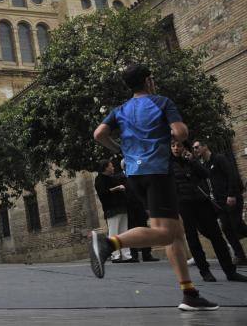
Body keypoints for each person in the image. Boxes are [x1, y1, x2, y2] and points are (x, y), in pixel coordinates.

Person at [90, 63, 218, 311]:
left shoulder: (120, 109)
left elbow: (99, 134)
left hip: (135, 175)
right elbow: (181, 132)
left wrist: (120, 150)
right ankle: (108, 244)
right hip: (157, 172)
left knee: (176, 230)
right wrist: (173, 135)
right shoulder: (161, 102)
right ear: (148, 81)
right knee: (165, 233)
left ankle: (189, 293)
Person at [171, 140, 247, 283]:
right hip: (184, 205)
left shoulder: (191, 161)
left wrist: (193, 161)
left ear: (185, 148)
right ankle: (205, 271)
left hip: (202, 202)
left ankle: (230, 271)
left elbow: (205, 174)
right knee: (192, 238)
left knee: (217, 236)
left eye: (179, 145)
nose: (176, 148)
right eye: (173, 145)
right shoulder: (168, 164)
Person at [195, 139, 247, 265]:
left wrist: (231, 194)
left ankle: (240, 255)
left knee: (237, 226)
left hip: (231, 198)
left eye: (197, 147)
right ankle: (240, 256)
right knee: (227, 229)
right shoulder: (205, 165)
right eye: (194, 148)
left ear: (205, 146)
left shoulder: (219, 158)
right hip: (219, 203)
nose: (195, 150)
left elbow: (232, 175)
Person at [93, 159, 132, 263]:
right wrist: (117, 188)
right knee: (113, 232)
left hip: (122, 207)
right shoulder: (99, 179)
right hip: (111, 209)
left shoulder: (113, 177)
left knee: (124, 232)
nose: (113, 168)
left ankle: (127, 255)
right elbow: (102, 193)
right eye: (111, 166)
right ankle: (115, 255)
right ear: (106, 168)